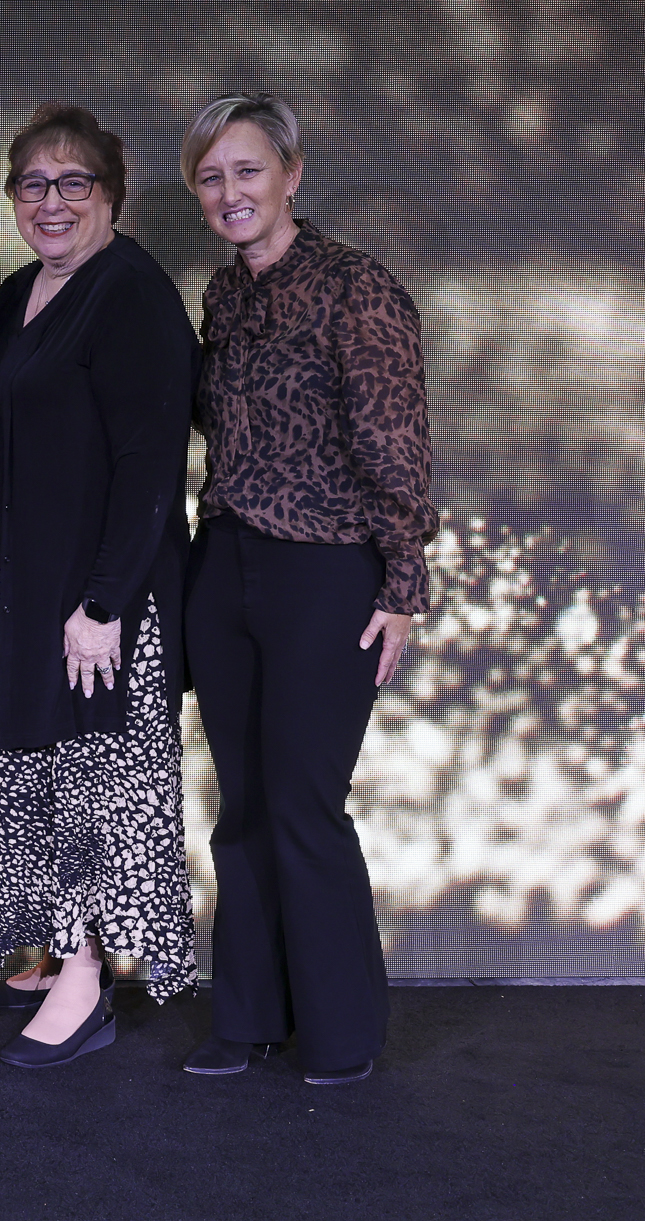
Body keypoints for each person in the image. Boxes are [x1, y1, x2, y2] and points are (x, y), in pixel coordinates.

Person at [178, 91, 437, 1086]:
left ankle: (339, 1035)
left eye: (246, 170)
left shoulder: (356, 288)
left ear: (290, 173)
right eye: (210, 176)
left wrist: (400, 582)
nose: (228, 191)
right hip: (227, 564)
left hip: (328, 572)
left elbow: (395, 444)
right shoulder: (222, 295)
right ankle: (244, 1019)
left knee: (301, 805)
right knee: (240, 806)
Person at [0, 103, 199, 1070]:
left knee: (93, 784)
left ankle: (89, 977)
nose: (50, 203)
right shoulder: (19, 292)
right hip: (23, 579)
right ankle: (59, 947)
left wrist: (102, 605)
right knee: (40, 777)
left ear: (111, 195)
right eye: (31, 185)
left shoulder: (130, 291)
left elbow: (148, 465)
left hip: (99, 597)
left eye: (73, 184)